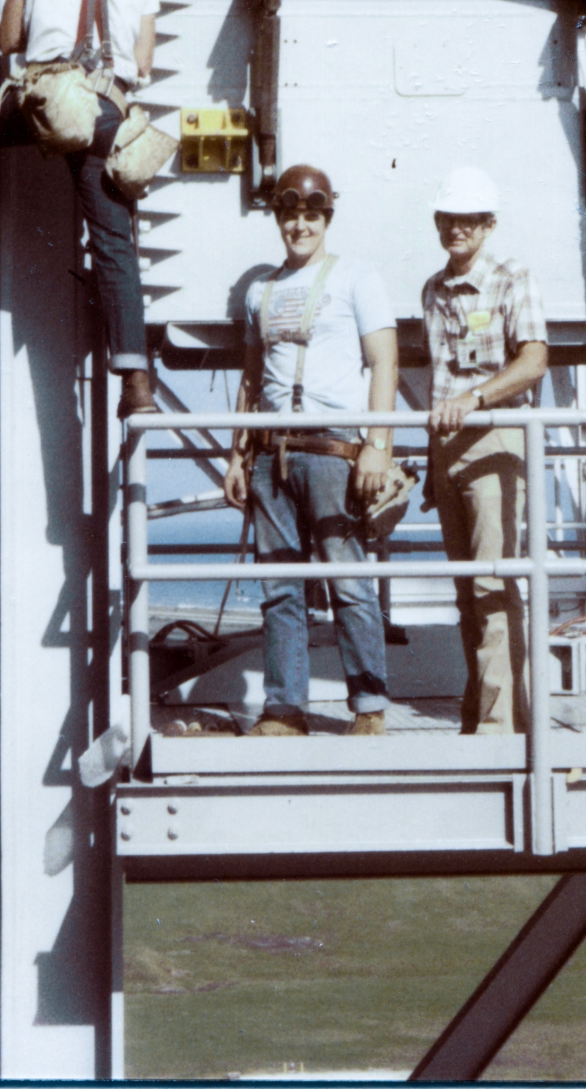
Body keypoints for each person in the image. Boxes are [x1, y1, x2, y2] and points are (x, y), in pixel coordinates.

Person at [223, 165, 397, 737]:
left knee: (347, 580)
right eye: (289, 214)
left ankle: (369, 708)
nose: (299, 225)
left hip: (331, 452)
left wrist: (377, 444)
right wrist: (236, 455)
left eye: (311, 215)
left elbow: (384, 362)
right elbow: (252, 379)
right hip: (272, 456)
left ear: (327, 218)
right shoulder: (260, 291)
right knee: (279, 584)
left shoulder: (356, 278)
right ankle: (284, 708)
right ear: (278, 218)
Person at [0, 0, 159, 418]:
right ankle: (136, 383)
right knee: (116, 245)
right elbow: (142, 63)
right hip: (106, 110)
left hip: (48, 103)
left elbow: (9, 37)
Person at [422, 167, 548, 735]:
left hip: (495, 440)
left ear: (488, 225)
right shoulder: (433, 290)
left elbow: (533, 361)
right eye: (449, 218)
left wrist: (476, 398)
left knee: (493, 584)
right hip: (448, 447)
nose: (457, 228)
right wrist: (432, 458)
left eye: (468, 219)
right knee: (466, 589)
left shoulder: (513, 276)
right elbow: (439, 380)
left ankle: (501, 727)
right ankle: (480, 715)